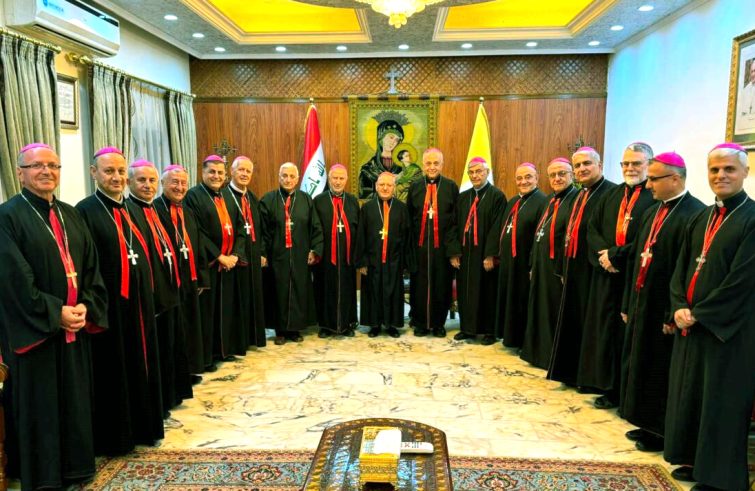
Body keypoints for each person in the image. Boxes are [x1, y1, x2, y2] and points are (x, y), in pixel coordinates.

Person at [0, 143, 108, 490]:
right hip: (37, 331)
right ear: (20, 173)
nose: (46, 171)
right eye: (36, 166)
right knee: (42, 405)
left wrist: (86, 304)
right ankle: (45, 476)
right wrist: (53, 312)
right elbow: (13, 278)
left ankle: (77, 466)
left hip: (74, 324)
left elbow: (90, 266)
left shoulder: (70, 213)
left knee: (75, 399)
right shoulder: (7, 216)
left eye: (53, 165)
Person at [664, 142, 755, 491]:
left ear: (745, 172)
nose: (721, 175)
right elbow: (681, 268)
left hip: (729, 330)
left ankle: (721, 479)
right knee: (693, 396)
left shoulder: (751, 218)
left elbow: (743, 281)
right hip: (693, 324)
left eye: (729, 169)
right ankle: (695, 461)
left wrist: (700, 314)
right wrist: (677, 305)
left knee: (721, 402)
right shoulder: (701, 217)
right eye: (714, 169)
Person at [76, 147, 165, 455]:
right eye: (109, 171)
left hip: (140, 305)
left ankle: (145, 427)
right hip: (110, 307)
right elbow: (85, 264)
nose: (116, 177)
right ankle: (118, 437)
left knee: (143, 363)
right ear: (94, 173)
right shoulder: (84, 211)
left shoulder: (133, 209)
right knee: (116, 369)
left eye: (120, 171)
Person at [619, 152, 704, 453]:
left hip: (664, 307)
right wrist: (628, 302)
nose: (648, 184)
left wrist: (671, 313)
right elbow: (636, 259)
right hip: (642, 301)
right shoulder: (652, 210)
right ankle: (643, 420)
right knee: (640, 361)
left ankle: (659, 429)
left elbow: (685, 270)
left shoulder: (695, 214)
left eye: (654, 179)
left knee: (659, 367)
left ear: (675, 178)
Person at [578, 142, 655, 409]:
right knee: (605, 332)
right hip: (606, 275)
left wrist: (616, 256)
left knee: (625, 335)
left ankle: (624, 391)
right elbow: (592, 228)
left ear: (649, 164)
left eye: (636, 163)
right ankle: (605, 385)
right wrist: (605, 256)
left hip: (631, 275)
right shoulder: (612, 194)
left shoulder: (654, 196)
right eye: (626, 163)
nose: (630, 168)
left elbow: (648, 239)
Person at [127, 160, 192, 415]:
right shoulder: (130, 211)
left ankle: (172, 394)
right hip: (152, 295)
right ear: (130, 182)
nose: (147, 185)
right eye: (142, 180)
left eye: (151, 180)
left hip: (169, 290)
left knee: (170, 347)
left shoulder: (157, 209)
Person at [547, 147, 616, 386]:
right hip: (573, 269)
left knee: (590, 326)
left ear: (600, 165)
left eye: (587, 163)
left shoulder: (611, 193)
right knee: (573, 322)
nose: (582, 169)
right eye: (577, 165)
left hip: (593, 271)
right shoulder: (580, 194)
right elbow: (567, 233)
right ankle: (572, 373)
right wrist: (562, 267)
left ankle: (587, 378)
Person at [184, 155, 247, 370]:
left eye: (220, 172)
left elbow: (240, 227)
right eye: (212, 172)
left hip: (229, 265)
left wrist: (236, 255)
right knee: (208, 313)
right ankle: (208, 357)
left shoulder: (227, 195)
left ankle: (224, 350)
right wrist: (219, 256)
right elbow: (197, 232)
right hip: (210, 265)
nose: (216, 176)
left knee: (226, 311)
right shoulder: (193, 196)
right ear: (203, 172)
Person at [520, 158, 577, 369]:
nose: (557, 178)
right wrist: (532, 264)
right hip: (541, 265)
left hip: (556, 268)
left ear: (572, 175)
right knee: (539, 309)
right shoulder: (550, 200)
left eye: (562, 174)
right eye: (553, 175)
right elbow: (539, 233)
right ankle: (537, 354)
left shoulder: (575, 199)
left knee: (552, 311)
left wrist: (562, 268)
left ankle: (551, 357)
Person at [260, 162, 324, 345]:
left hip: (300, 255)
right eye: (284, 176)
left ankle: (295, 329)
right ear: (279, 177)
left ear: (297, 179)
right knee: (277, 291)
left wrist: (315, 249)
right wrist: (262, 253)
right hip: (276, 256)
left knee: (298, 290)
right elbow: (262, 231)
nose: (288, 180)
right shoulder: (268, 200)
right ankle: (280, 330)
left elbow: (316, 227)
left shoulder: (306, 200)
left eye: (291, 176)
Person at [154, 164, 207, 383]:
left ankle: (190, 370)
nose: (180, 187)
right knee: (173, 329)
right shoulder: (154, 210)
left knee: (190, 326)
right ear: (163, 183)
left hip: (189, 279)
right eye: (174, 182)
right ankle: (175, 375)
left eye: (184, 183)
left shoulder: (189, 211)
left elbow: (198, 243)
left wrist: (202, 277)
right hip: (169, 281)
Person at [406, 148, 459, 338]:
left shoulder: (451, 187)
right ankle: (420, 323)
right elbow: (409, 219)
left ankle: (438, 324)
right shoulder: (415, 187)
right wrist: (409, 249)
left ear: (442, 165)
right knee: (418, 285)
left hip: (442, 248)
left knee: (441, 285)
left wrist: (453, 251)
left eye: (436, 163)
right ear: (423, 165)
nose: (432, 167)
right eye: (428, 163)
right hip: (419, 248)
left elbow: (455, 221)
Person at [453, 157, 506, 345]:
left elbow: (498, 227)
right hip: (465, 255)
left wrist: (490, 254)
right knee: (466, 292)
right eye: (471, 172)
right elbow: (453, 225)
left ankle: (489, 331)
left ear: (487, 172)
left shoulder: (497, 196)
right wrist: (454, 252)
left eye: (479, 171)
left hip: (484, 256)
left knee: (487, 292)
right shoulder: (462, 197)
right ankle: (467, 329)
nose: (475, 175)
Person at [494, 162, 548, 348]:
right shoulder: (513, 201)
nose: (523, 181)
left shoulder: (543, 202)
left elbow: (540, 236)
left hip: (525, 263)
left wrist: (533, 264)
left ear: (537, 178)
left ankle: (522, 341)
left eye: (528, 177)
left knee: (522, 301)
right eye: (519, 178)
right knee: (509, 300)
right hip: (509, 262)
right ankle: (509, 337)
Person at [356, 172, 414, 338]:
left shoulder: (402, 208)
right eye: (382, 185)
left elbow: (407, 237)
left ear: (394, 187)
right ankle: (374, 325)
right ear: (376, 186)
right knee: (373, 291)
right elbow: (361, 236)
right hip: (372, 260)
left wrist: (406, 263)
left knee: (393, 293)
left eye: (389, 185)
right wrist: (362, 262)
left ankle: (391, 325)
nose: (385, 188)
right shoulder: (367, 208)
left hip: (394, 260)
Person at [224, 156, 267, 348]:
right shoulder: (223, 196)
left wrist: (262, 252)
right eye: (241, 170)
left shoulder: (253, 198)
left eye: (248, 171)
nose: (244, 174)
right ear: (231, 171)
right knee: (238, 299)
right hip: (234, 257)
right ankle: (239, 341)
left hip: (254, 255)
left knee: (253, 297)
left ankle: (252, 338)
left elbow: (262, 229)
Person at [313, 164, 359, 338]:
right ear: (329, 179)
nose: (338, 182)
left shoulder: (353, 201)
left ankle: (347, 324)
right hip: (325, 257)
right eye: (334, 178)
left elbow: (358, 229)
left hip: (347, 257)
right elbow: (314, 229)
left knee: (348, 289)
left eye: (341, 178)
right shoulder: (318, 201)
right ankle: (325, 325)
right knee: (325, 289)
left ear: (346, 180)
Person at [359, 119, 404, 199]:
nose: (393, 142)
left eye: (396, 140)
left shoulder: (402, 168)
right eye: (391, 137)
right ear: (381, 137)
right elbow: (364, 197)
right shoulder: (368, 169)